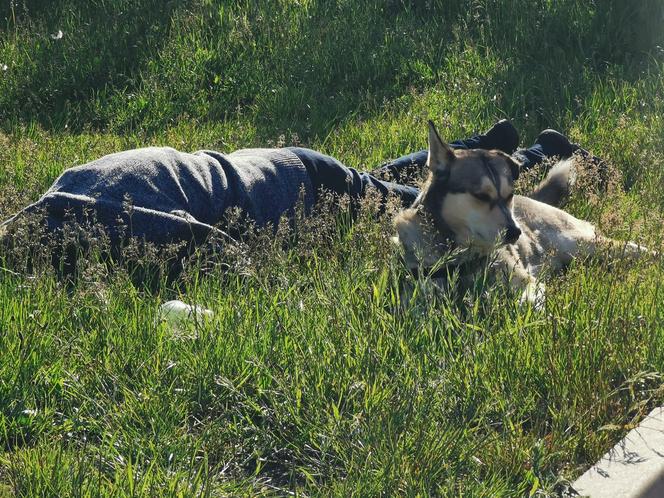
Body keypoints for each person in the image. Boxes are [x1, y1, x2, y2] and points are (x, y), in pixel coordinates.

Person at [0, 120, 592, 254]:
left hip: (296, 181)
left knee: (389, 193)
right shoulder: (61, 190)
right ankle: (481, 144)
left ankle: (535, 153)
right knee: (379, 179)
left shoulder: (113, 217)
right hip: (267, 163)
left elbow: (219, 251)